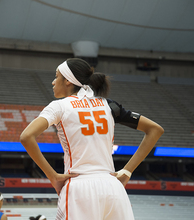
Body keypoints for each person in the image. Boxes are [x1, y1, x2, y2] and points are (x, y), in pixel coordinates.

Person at [20, 58, 164, 219]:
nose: (53, 82)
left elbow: (26, 136)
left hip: (79, 188)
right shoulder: (109, 105)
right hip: (113, 187)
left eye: (56, 76)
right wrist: (127, 171)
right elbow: (155, 130)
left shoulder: (58, 106)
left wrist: (53, 176)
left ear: (68, 80)